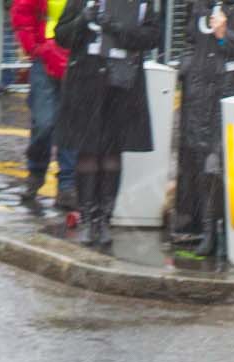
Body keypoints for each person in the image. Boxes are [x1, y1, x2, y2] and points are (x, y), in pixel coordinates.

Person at [54, 0, 162, 248]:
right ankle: (88, 217)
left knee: (113, 151)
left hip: (122, 82)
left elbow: (152, 36)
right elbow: (61, 36)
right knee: (88, 150)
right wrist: (83, 19)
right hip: (86, 80)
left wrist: (115, 28)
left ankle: (104, 218)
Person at [171, 0, 234, 259]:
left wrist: (226, 36)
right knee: (202, 163)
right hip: (199, 95)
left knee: (219, 165)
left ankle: (223, 231)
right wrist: (188, 66)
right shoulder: (197, 4)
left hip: (231, 92)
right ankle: (207, 229)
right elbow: (189, 40)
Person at [11, 0, 79, 213]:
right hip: (45, 56)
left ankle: (67, 184)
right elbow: (23, 12)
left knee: (70, 122)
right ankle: (36, 173)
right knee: (44, 123)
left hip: (76, 56)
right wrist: (34, 48)